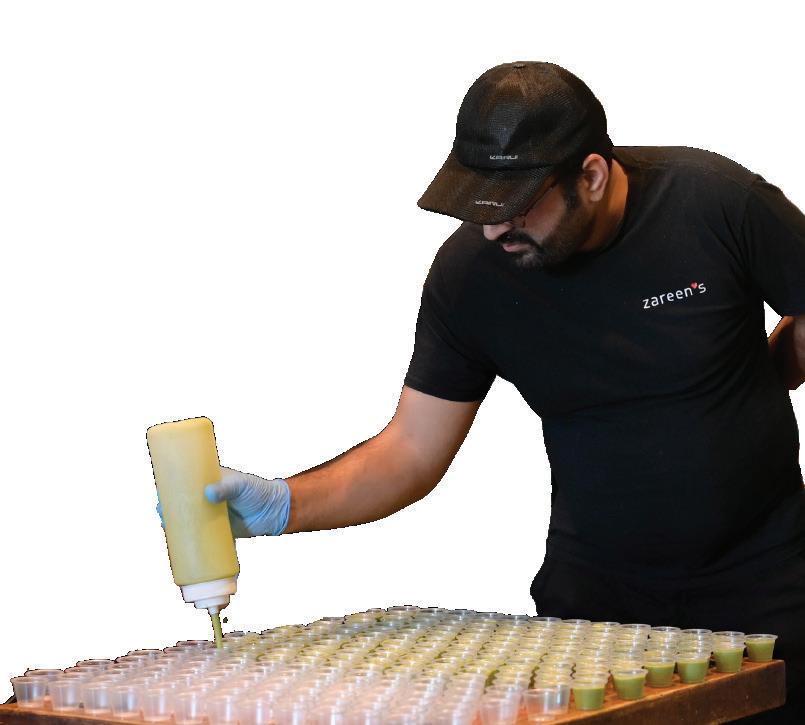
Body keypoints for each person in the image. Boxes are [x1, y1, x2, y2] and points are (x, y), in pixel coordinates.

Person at [184, 62, 805, 722]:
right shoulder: (472, 277)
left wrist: (762, 372)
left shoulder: (716, 203)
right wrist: (284, 505)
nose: (490, 229)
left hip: (763, 588)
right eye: (479, 204)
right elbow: (411, 449)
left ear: (591, 176)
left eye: (514, 205)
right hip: (594, 608)